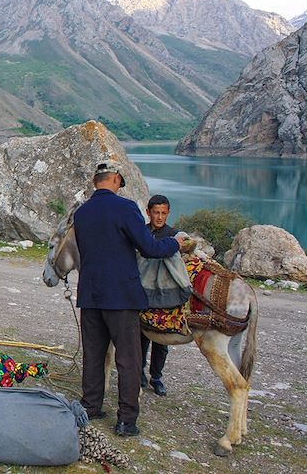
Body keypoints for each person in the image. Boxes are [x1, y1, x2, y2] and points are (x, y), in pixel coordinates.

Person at [73, 160, 183, 437]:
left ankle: (91, 406)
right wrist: (175, 243)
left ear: (96, 181)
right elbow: (149, 248)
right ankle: (126, 421)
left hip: (90, 294)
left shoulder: (82, 213)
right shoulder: (126, 208)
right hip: (121, 296)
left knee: (94, 354)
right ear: (115, 180)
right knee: (129, 360)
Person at [140, 194, 178, 397]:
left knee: (162, 338)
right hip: (143, 292)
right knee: (141, 336)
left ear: (168, 213)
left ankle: (157, 377)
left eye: (163, 213)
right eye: (156, 212)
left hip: (165, 294)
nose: (160, 217)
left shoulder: (174, 234)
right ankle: (139, 372)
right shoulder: (141, 233)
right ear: (149, 212)